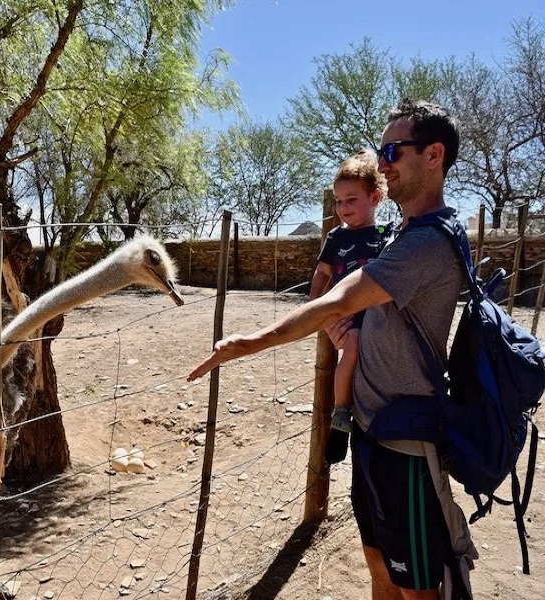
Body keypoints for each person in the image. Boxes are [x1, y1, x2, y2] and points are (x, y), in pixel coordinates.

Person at [188, 99, 477, 600]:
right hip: (373, 431)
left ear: (433, 155)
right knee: (380, 566)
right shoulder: (402, 232)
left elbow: (336, 300)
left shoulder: (425, 243)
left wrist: (247, 342)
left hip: (405, 444)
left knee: (417, 586)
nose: (383, 162)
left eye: (393, 150)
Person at [310, 150, 391, 463]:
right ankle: (341, 414)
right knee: (354, 345)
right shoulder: (335, 237)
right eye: (338, 201)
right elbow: (322, 273)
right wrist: (315, 307)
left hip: (380, 316)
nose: (343, 208)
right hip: (350, 317)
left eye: (351, 200)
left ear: (375, 197)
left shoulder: (388, 235)